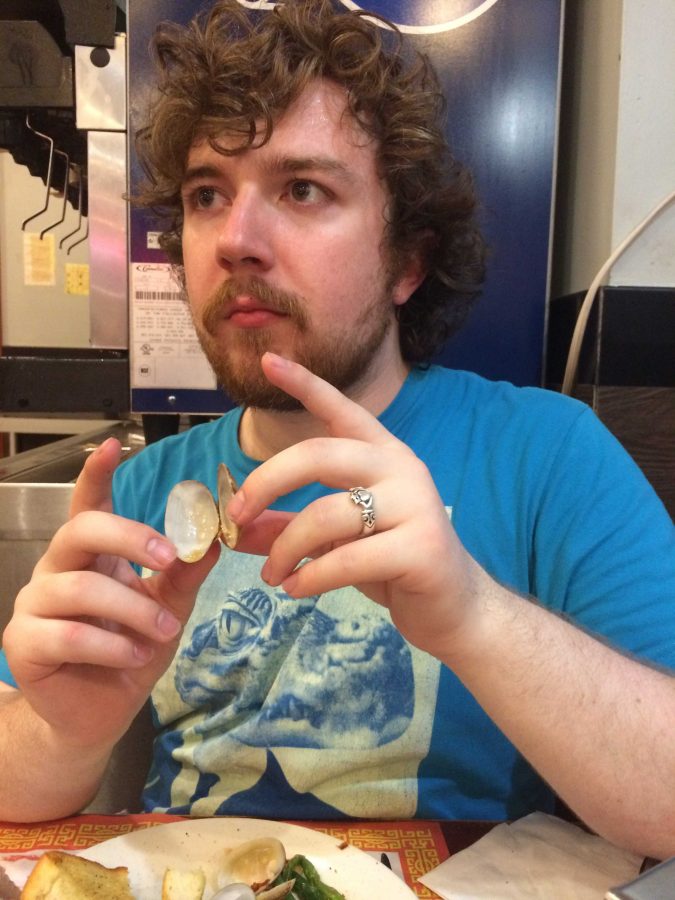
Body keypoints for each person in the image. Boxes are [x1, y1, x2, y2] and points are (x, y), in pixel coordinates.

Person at [1, 0, 674, 858]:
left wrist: (473, 615)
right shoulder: (141, 489)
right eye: (208, 194)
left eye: (303, 188)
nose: (235, 239)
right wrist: (64, 732)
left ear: (407, 262)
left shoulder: (547, 453)